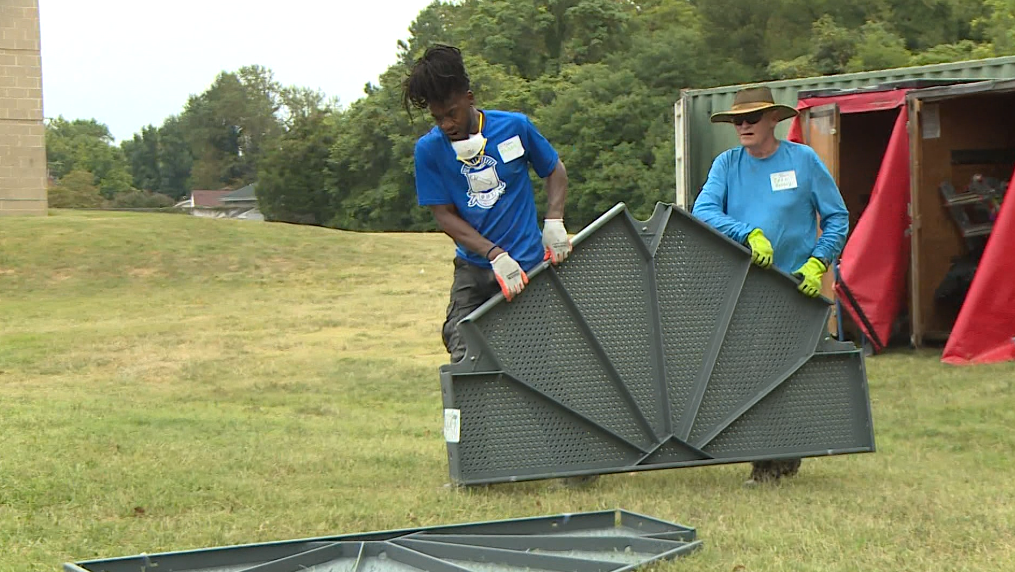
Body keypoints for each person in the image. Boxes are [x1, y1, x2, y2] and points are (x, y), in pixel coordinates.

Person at [691, 85, 849, 486]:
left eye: (752, 119)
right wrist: (747, 233)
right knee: (750, 375)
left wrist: (818, 263)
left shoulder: (804, 161)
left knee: (790, 374)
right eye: (737, 120)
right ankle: (767, 459)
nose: (743, 126)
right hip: (743, 288)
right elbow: (703, 211)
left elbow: (837, 218)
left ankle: (779, 457)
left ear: (773, 120)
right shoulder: (726, 165)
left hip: (795, 286)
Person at [401, 44, 572, 364]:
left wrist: (554, 219)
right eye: (438, 118)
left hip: (526, 267)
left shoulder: (515, 127)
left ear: (469, 98)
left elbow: (555, 170)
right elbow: (445, 216)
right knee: (463, 350)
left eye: (452, 113)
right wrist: (494, 255)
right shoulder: (429, 150)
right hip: (474, 270)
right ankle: (474, 415)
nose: (446, 125)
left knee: (534, 363)